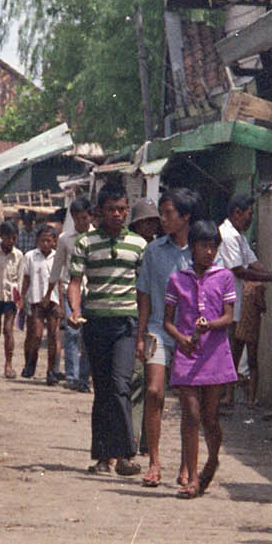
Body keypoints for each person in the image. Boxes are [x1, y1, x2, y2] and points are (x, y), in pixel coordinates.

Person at [65, 182, 146, 477]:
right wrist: (74, 311)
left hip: (126, 324)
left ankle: (125, 455)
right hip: (95, 322)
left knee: (120, 385)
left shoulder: (138, 245)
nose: (117, 214)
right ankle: (102, 457)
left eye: (122, 209)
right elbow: (74, 283)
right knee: (102, 391)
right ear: (100, 211)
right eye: (111, 209)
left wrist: (144, 329)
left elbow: (144, 291)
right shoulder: (85, 244)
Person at [164, 219, 236, 498]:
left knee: (210, 417)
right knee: (190, 414)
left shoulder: (224, 277)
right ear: (192, 247)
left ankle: (211, 460)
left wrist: (211, 325)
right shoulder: (177, 279)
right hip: (187, 354)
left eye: (213, 247)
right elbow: (167, 320)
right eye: (204, 246)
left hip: (215, 353)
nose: (209, 252)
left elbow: (229, 316)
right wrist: (181, 339)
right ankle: (193, 477)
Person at [134, 187, 200, 487]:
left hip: (191, 335)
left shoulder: (202, 251)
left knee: (188, 402)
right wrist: (140, 334)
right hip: (157, 330)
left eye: (168, 213)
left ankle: (187, 466)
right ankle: (154, 462)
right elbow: (144, 294)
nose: (162, 219)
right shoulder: (153, 251)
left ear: (185, 217)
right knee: (153, 391)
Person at [216, 192, 272, 406]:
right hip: (223, 304)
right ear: (237, 213)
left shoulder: (239, 237)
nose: (251, 218)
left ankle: (225, 398)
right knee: (226, 351)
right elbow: (241, 271)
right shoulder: (228, 236)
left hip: (234, 305)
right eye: (249, 214)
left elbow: (253, 263)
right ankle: (219, 398)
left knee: (233, 351)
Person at [52, 197, 93, 392]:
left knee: (89, 335)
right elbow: (57, 266)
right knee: (71, 332)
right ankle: (72, 376)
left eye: (84, 218)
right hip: (70, 288)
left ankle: (84, 377)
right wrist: (51, 294)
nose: (81, 222)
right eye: (77, 219)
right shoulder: (64, 239)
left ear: (90, 216)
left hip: (92, 290)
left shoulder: (97, 238)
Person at [21, 224, 61, 383]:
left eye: (49, 241)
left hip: (53, 301)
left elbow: (60, 282)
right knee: (36, 335)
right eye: (43, 240)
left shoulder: (57, 257)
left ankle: (51, 371)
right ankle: (31, 363)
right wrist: (22, 298)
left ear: (54, 242)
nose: (45, 244)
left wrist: (62, 306)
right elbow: (26, 278)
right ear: (37, 241)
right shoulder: (30, 256)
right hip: (36, 300)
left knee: (52, 335)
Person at [0, 219, 23, 378]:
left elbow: (20, 278)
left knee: (8, 329)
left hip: (10, 297)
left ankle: (8, 364)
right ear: (1, 236)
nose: (11, 241)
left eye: (14, 238)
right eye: (9, 238)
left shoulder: (19, 255)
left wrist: (20, 298)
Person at [234, 280, 267, 403]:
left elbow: (262, 306)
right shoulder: (252, 285)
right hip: (247, 324)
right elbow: (263, 306)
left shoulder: (250, 285)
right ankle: (249, 399)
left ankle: (247, 398)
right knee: (248, 362)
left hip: (246, 325)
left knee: (243, 361)